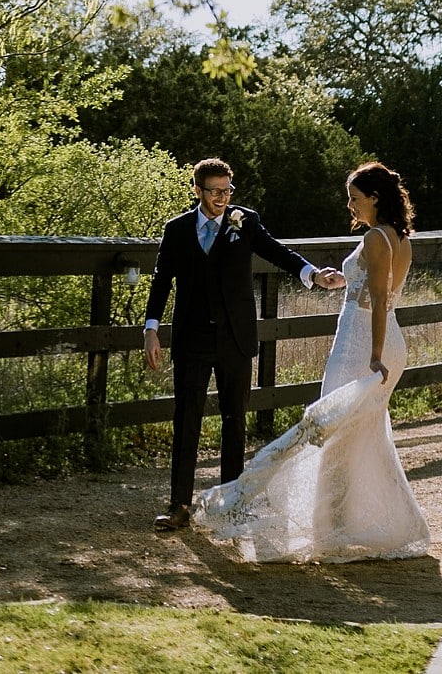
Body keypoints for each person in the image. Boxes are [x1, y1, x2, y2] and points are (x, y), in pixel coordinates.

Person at [195, 161, 433, 562]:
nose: (350, 205)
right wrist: (342, 280)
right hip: (390, 337)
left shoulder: (376, 238)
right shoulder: (401, 238)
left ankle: (327, 526)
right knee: (362, 436)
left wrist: (373, 356)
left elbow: (377, 300)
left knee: (326, 433)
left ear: (375, 198)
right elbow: (376, 289)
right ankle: (356, 522)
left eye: (355, 198)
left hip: (362, 343)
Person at [142, 158, 344, 530]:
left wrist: (313, 274)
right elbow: (161, 281)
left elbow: (277, 251)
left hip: (235, 337)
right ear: (197, 190)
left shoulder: (244, 221)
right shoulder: (177, 230)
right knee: (187, 419)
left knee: (235, 422)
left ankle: (232, 505)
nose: (222, 198)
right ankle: (179, 506)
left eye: (227, 190)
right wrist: (151, 328)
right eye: (215, 191)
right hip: (192, 339)